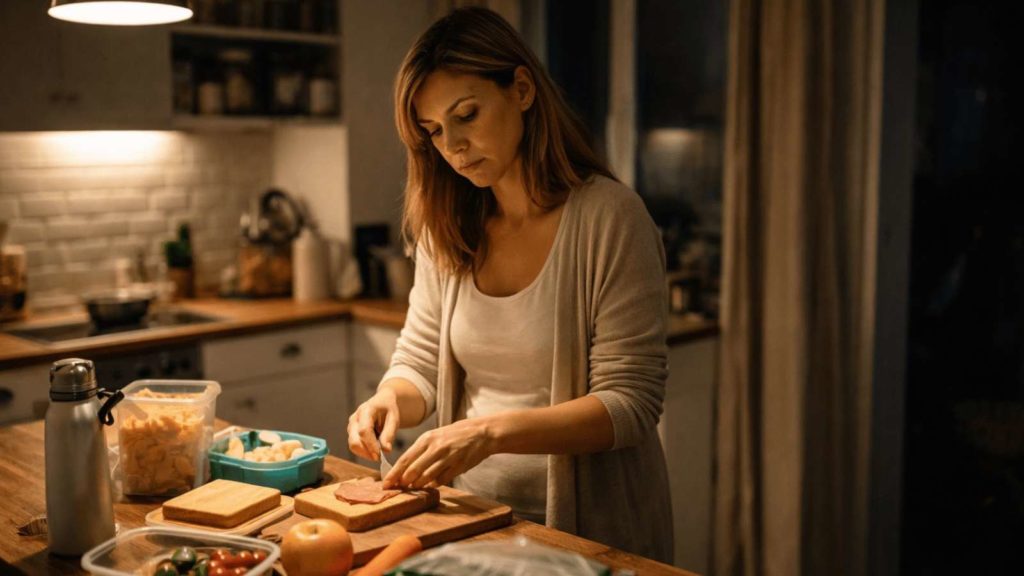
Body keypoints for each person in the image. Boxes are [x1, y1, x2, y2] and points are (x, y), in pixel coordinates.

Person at [346, 7, 673, 563]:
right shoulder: (447, 226)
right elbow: (421, 361)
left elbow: (630, 403)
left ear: (521, 89)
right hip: (473, 523)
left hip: (588, 534)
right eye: (434, 132)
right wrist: (387, 397)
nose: (452, 147)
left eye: (466, 115)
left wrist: (489, 433)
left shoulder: (611, 219)